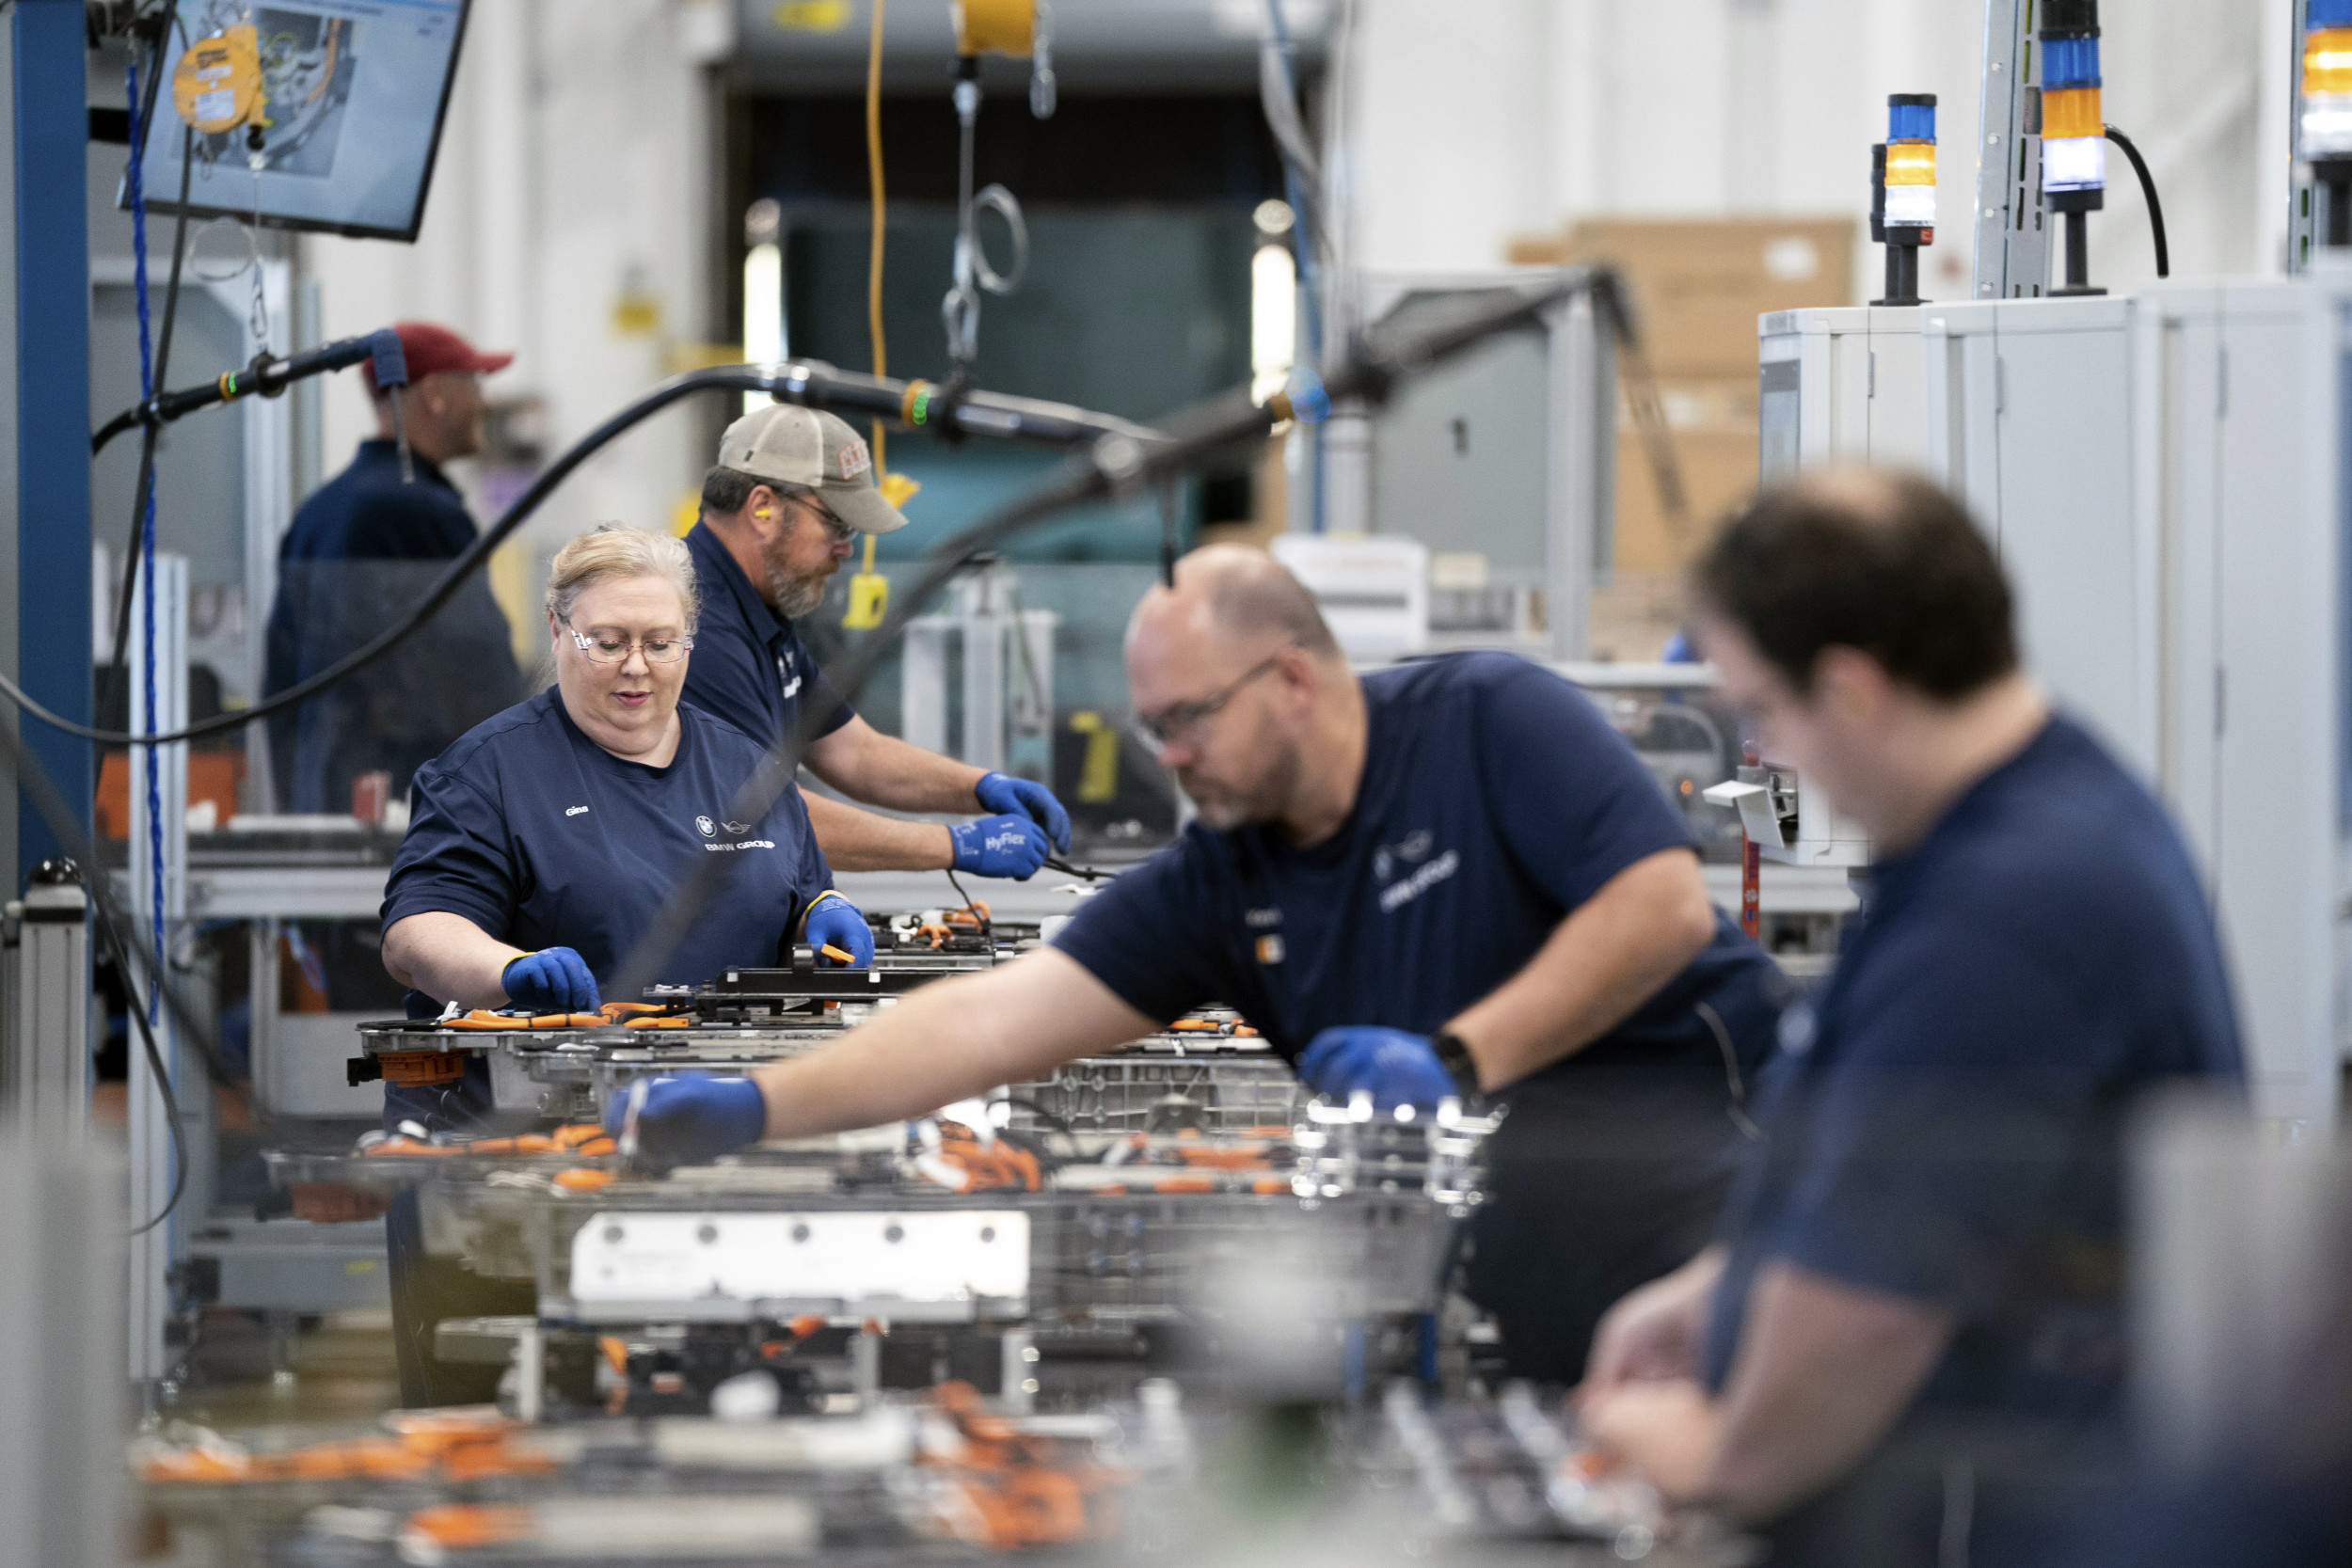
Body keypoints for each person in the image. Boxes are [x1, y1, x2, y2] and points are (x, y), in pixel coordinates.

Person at [619, 544, 1789, 1384]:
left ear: (1289, 679)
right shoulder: (1222, 879)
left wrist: (1459, 1055)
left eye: (1191, 720)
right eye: (1154, 729)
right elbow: (989, 1023)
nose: (1173, 759)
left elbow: (1658, 909)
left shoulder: (1486, 719)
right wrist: (759, 1104)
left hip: (1728, 1204)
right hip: (1526, 1255)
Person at [1575, 470, 2245, 1564]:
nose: (1767, 758)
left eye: (1760, 714)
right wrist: (1721, 1286)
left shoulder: (2012, 907)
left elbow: (1872, 1307)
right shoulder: (2004, 834)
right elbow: (1890, 1165)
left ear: (1849, 690)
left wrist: (1713, 1448)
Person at [373, 524, 868, 1403]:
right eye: (607, 642)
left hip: (706, 1159)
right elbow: (418, 932)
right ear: (560, 631)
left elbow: (799, 894)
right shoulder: (491, 770)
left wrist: (824, 914)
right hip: (515, 1174)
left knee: (699, 1420)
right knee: (504, 1444)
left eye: (659, 642)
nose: (635, 668)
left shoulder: (746, 767)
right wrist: (506, 970)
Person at [681, 404, 1072, 882]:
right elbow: (757, 820)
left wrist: (983, 788)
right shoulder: (695, 628)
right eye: (838, 525)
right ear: (763, 508)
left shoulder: (757, 608)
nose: (846, 549)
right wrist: (954, 844)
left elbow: (854, 753)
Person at [264, 320, 523, 818]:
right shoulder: (419, 510)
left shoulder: (320, 509)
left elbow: (282, 669)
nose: (484, 403)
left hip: (321, 794)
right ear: (434, 393)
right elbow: (478, 679)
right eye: (473, 382)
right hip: (408, 807)